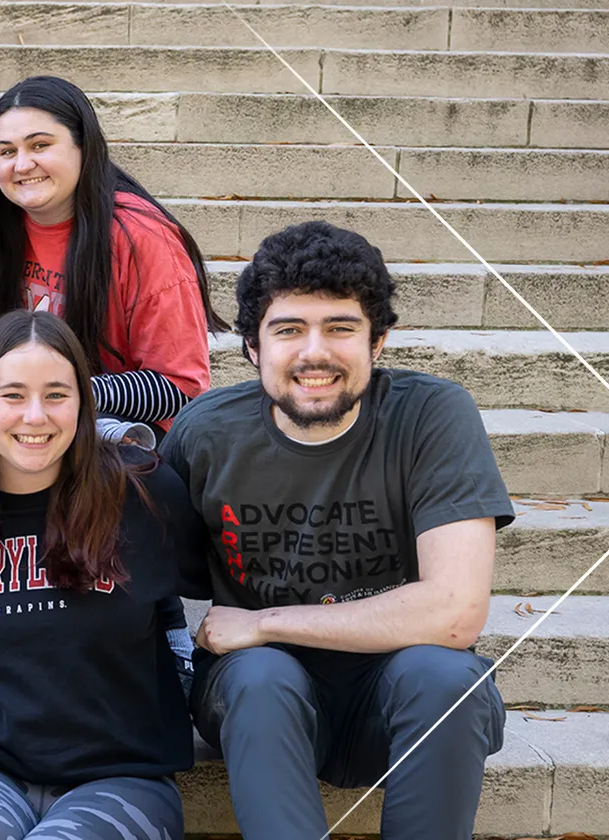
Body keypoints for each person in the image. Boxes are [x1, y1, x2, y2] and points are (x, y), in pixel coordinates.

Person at [159, 221, 511, 839]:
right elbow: (155, 573)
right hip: (261, 698)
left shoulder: (433, 416)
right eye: (288, 329)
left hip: (397, 692)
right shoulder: (206, 435)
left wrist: (264, 621)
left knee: (447, 676)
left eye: (340, 328)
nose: (313, 353)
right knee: (261, 677)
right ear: (251, 347)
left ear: (377, 344)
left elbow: (455, 612)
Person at [0, 310, 205, 839]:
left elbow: (208, 583)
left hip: (122, 773)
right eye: (12, 395)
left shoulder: (143, 492)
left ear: (82, 403)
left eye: (56, 394)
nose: (35, 416)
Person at [0, 75, 221, 430]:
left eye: (39, 145)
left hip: (122, 431)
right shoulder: (2, 226)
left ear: (84, 148)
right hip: (28, 421)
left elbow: (181, 387)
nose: (22, 165)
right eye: (7, 152)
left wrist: (65, 393)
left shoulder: (140, 236)